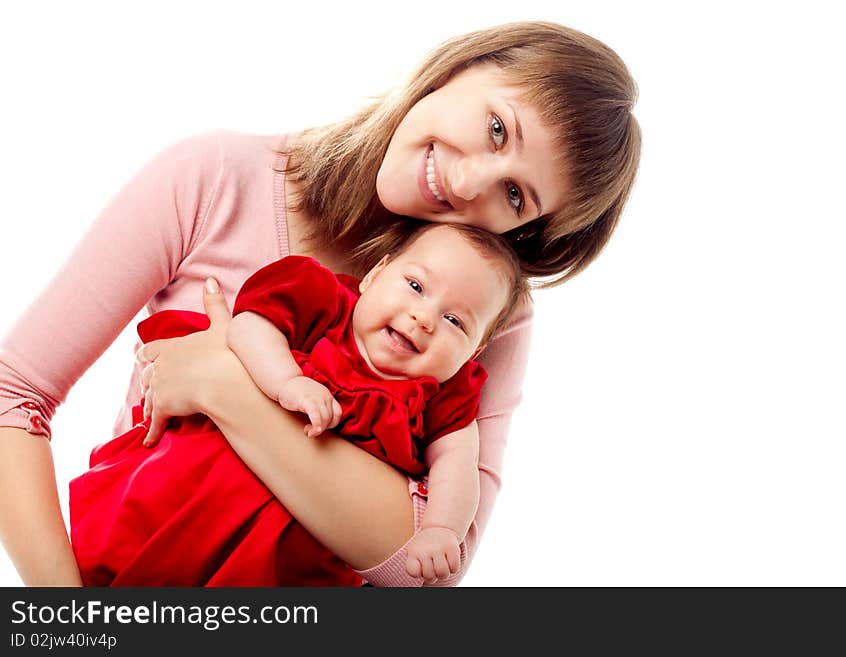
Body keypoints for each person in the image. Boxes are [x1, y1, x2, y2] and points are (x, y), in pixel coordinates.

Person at [0, 21, 641, 586]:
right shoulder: (213, 177)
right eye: (496, 129)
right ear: (463, 66)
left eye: (515, 197)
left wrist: (229, 388)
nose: (467, 183)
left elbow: (428, 568)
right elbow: (14, 392)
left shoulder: (479, 312)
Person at [69, 223, 525, 585]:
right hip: (185, 500)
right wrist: (287, 381)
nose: (423, 318)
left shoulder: (443, 393)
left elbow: (458, 465)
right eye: (415, 286)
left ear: (476, 350)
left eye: (455, 321)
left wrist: (442, 529)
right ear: (374, 275)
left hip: (282, 574)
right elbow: (249, 327)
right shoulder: (323, 304)